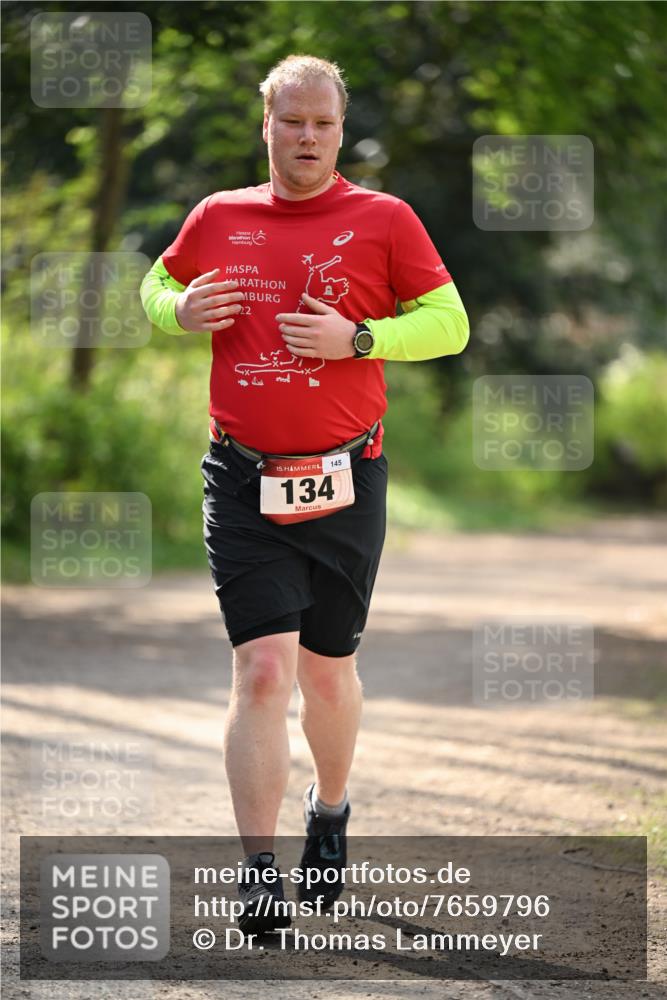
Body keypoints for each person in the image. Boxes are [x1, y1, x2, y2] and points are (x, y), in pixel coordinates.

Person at [140, 54, 469, 934]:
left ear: (339, 129)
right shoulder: (219, 215)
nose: (308, 137)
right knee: (261, 673)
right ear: (268, 126)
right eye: (293, 122)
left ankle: (329, 808)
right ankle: (257, 871)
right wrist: (175, 312)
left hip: (346, 478)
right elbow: (157, 282)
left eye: (323, 123)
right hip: (241, 476)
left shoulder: (384, 218)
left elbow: (449, 324)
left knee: (327, 675)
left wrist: (358, 338)